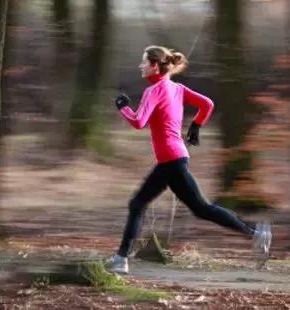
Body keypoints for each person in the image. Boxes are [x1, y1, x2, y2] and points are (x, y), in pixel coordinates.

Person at [110, 45, 271, 274]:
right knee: (201, 208)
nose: (140, 66)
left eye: (144, 62)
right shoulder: (177, 88)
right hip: (176, 159)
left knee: (138, 204)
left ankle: (120, 260)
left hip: (170, 161)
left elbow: (139, 122)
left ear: (155, 66)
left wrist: (123, 108)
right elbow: (208, 104)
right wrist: (196, 126)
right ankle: (256, 233)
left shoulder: (153, 90)